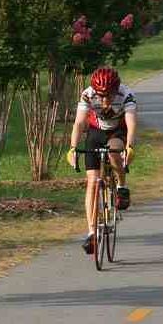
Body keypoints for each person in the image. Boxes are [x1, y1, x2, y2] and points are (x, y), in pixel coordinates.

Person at [66, 66, 137, 255]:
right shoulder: (88, 95)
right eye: (101, 95)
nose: (105, 100)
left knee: (114, 152)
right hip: (96, 132)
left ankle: (121, 186)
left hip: (117, 131)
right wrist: (73, 148)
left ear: (116, 90)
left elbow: (131, 122)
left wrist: (129, 146)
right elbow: (80, 123)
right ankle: (91, 232)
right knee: (91, 182)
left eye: (109, 96)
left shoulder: (126, 94)